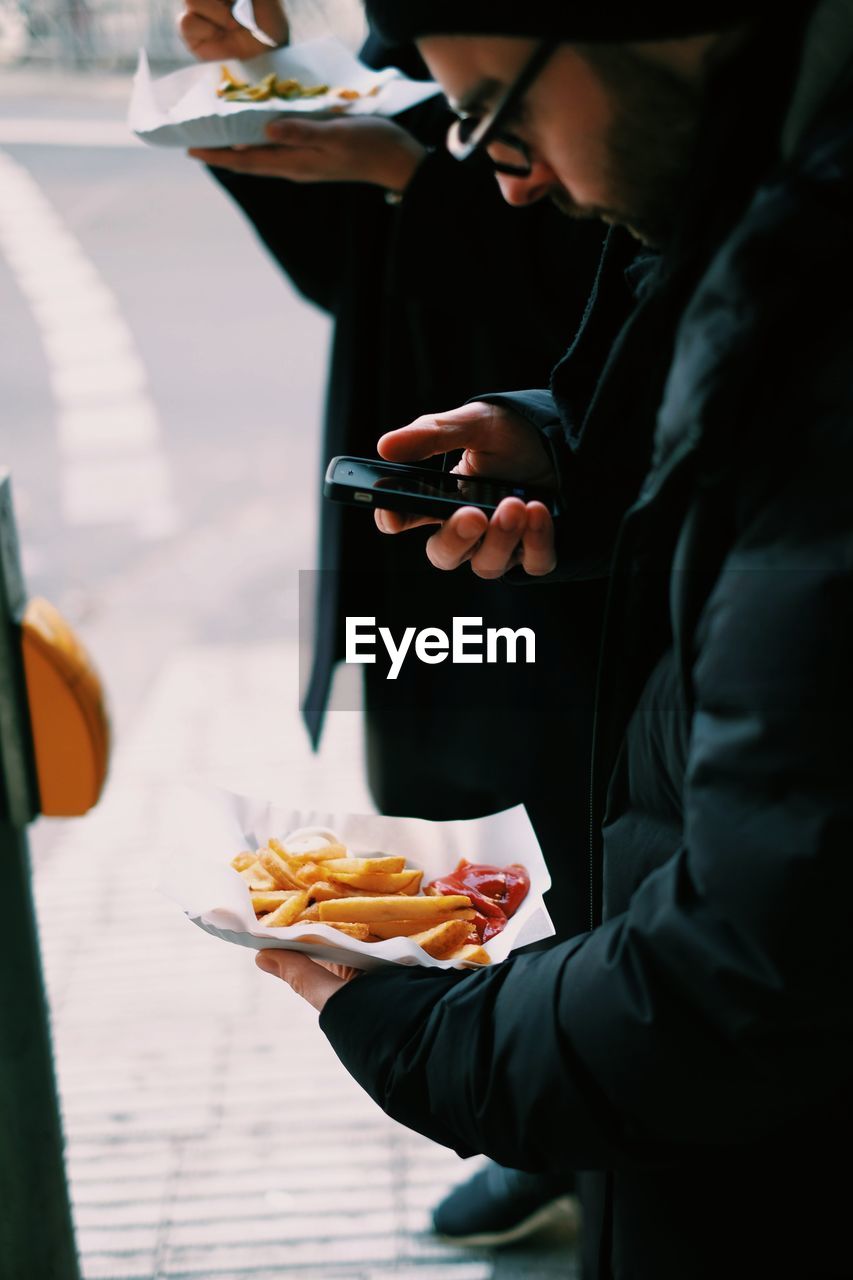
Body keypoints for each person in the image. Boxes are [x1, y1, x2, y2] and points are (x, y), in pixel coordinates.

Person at [253, 1, 853, 1276]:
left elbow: (744, 977)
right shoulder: (758, 196)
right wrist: (578, 453)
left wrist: (419, 1028)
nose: (507, 177)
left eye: (495, 113)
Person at [177, 0, 625, 1246]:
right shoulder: (420, 58)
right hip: (456, 501)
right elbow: (355, 275)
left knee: (576, 828)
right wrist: (263, 103)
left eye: (490, 115)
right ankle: (556, 1120)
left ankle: (568, 1120)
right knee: (492, 818)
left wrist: (416, 176)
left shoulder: (630, 100)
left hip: (569, 530)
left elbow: (599, 286)